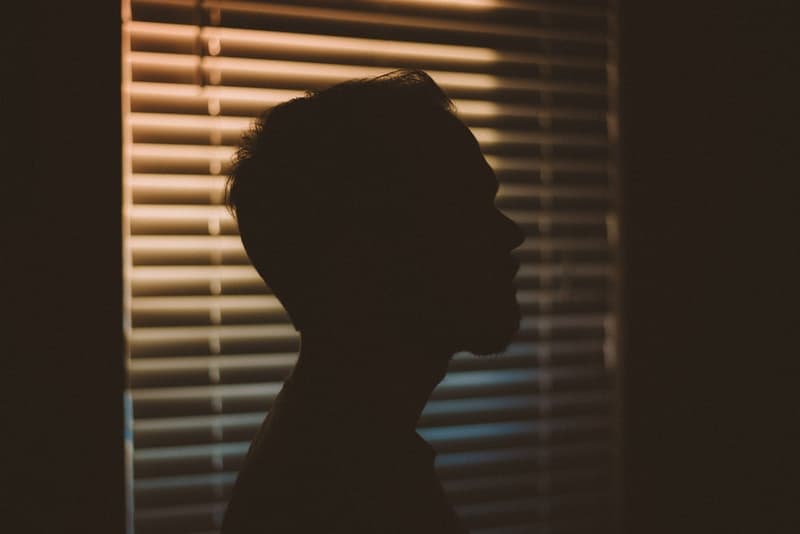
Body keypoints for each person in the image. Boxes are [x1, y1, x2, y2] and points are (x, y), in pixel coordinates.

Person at [221, 69, 524, 534]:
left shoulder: (342, 453)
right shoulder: (342, 493)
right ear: (369, 254)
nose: (510, 233)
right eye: (465, 211)